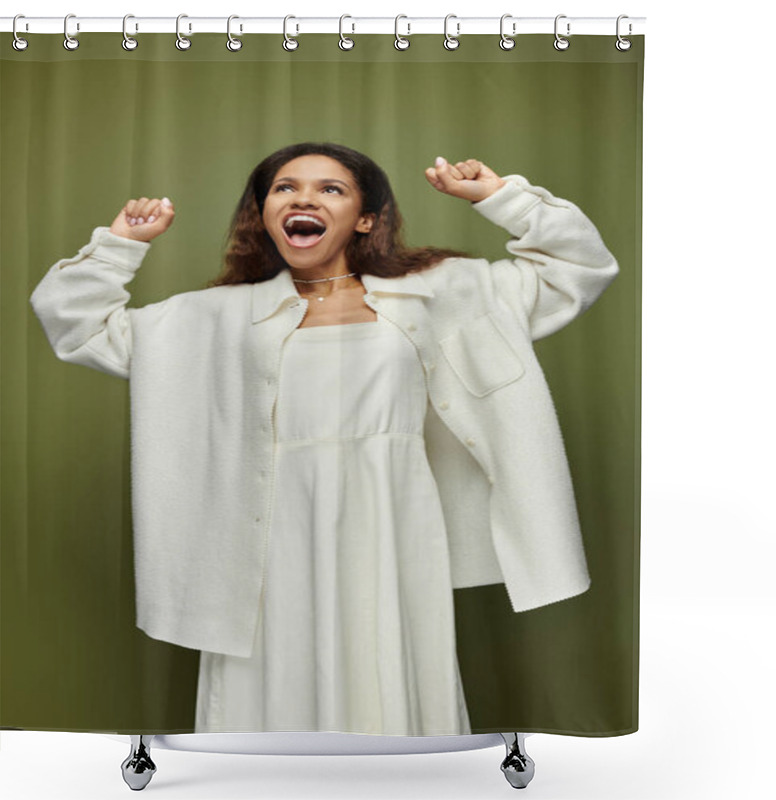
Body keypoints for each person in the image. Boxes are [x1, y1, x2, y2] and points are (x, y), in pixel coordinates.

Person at [29, 141, 619, 737]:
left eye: (330, 189)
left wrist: (502, 197)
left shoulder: (444, 292)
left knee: (387, 649)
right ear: (262, 214)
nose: (303, 198)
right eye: (285, 188)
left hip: (393, 510)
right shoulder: (216, 317)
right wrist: (121, 245)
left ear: (366, 218)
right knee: (270, 660)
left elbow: (578, 268)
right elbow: (76, 323)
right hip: (265, 522)